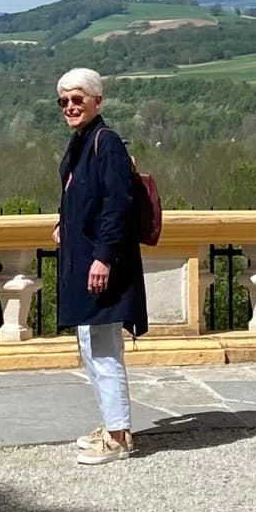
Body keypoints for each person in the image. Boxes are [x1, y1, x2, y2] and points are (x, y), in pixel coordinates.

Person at [55, 67, 148, 463]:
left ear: (97, 101)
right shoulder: (82, 141)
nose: (71, 107)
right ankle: (113, 425)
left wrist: (103, 257)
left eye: (78, 99)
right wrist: (64, 220)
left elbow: (117, 204)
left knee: (104, 347)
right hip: (87, 258)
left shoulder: (104, 142)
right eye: (64, 101)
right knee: (91, 344)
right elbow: (84, 196)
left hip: (101, 262)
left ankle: (118, 437)